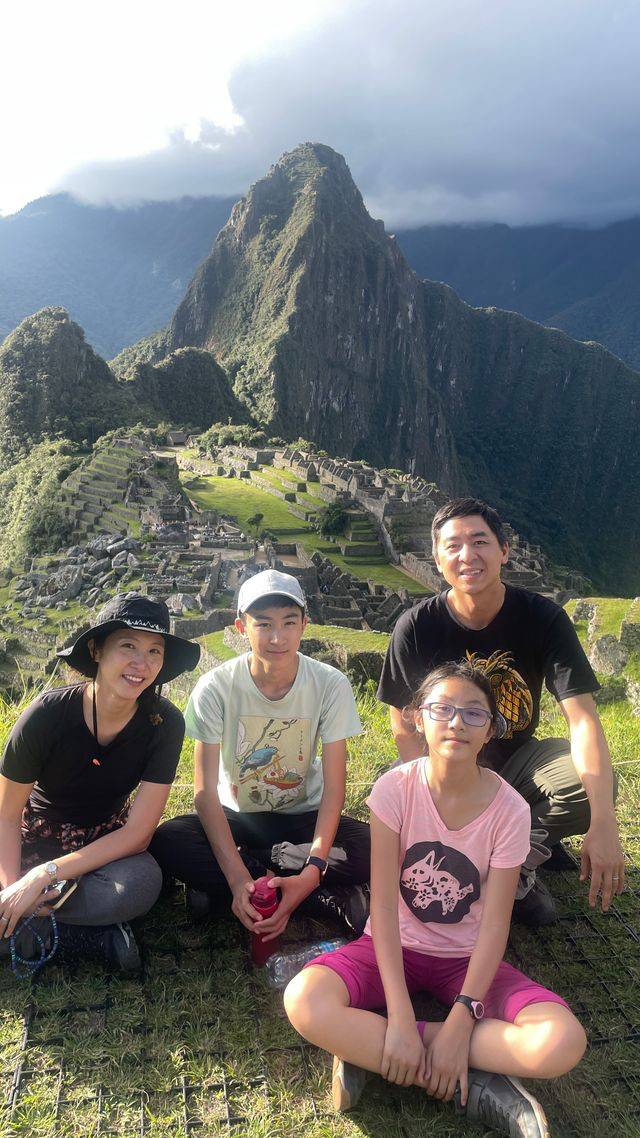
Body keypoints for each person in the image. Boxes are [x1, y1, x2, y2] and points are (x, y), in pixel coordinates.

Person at [284, 661, 586, 1138]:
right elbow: (382, 906)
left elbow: (494, 924)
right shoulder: (395, 790)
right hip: (392, 947)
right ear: (417, 719)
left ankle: (374, 1051)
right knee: (304, 999)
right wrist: (402, 1018)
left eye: (474, 714)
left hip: (465, 959)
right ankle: (450, 1067)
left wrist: (462, 1019)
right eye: (442, 709)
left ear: (491, 730)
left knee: (561, 1041)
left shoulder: (510, 810)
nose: (456, 723)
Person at [376, 497, 624, 926]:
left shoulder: (542, 619)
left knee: (588, 788)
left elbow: (582, 718)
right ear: (436, 558)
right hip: (444, 766)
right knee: (389, 796)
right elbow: (402, 717)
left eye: (480, 542)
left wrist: (604, 822)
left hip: (514, 768)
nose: (467, 555)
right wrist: (429, 790)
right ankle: (494, 863)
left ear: (504, 551)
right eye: (452, 546)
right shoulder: (416, 626)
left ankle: (511, 859)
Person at [150, 569, 371, 938]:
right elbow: (204, 792)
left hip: (304, 816)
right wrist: (238, 879)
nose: (277, 637)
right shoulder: (215, 688)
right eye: (263, 624)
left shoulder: (330, 684)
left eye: (288, 622)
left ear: (304, 624)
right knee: (168, 839)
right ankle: (297, 891)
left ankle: (254, 884)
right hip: (238, 818)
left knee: (375, 846)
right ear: (241, 627)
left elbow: (334, 788)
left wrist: (314, 865)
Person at [0, 595, 200, 972]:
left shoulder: (164, 724)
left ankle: (26, 931)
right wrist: (13, 890)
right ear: (96, 650)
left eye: (154, 651)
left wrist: (45, 875)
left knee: (141, 882)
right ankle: (89, 939)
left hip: (98, 845)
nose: (141, 664)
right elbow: (6, 816)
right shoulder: (47, 715)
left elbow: (138, 833)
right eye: (128, 646)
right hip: (28, 835)